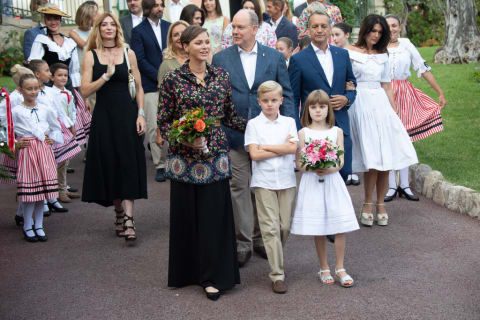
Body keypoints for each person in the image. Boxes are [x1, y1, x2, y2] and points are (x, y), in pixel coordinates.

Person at [158, 25, 245, 301]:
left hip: (216, 155)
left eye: (208, 42)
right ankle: (186, 274)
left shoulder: (221, 76)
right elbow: (164, 120)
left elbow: (231, 115)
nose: (205, 46)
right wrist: (185, 140)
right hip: (185, 159)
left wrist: (267, 125)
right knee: (187, 217)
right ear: (185, 47)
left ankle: (212, 276)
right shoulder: (173, 79)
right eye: (199, 42)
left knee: (214, 218)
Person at [212, 9, 297, 267]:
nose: (234, 32)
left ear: (254, 29)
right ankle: (243, 242)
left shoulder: (273, 57)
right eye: (233, 28)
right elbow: (216, 98)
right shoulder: (220, 58)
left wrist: (290, 130)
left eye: (239, 27)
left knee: (264, 187)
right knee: (238, 188)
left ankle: (262, 238)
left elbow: (288, 94)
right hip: (234, 135)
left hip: (268, 137)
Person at [345, 14, 418, 226]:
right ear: (364, 30)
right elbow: (345, 78)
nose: (376, 36)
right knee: (371, 159)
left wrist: (394, 113)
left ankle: (380, 204)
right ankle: (367, 203)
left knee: (385, 157)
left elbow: (386, 86)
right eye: (372, 31)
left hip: (381, 105)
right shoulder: (349, 52)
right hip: (359, 104)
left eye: (379, 32)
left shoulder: (383, 55)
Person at [81, 13, 147, 242]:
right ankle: (118, 211)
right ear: (97, 29)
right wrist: (105, 77)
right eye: (103, 25)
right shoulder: (91, 56)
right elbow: (85, 91)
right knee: (111, 165)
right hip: (104, 118)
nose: (108, 28)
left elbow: (139, 87)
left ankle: (129, 219)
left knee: (128, 163)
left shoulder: (128, 54)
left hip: (128, 116)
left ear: (117, 29)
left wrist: (141, 114)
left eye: (112, 25)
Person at [291, 89, 359, 287]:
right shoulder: (303, 133)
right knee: (318, 226)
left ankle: (340, 267)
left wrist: (327, 166)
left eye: (322, 107)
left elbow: (340, 162)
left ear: (328, 109)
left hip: (332, 182)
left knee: (339, 225)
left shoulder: (336, 131)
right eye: (313, 107)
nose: (318, 111)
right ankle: (324, 267)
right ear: (307, 109)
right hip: (312, 182)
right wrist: (314, 166)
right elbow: (300, 164)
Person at [289, 11, 356, 182]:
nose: (319, 30)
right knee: (314, 179)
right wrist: (298, 129)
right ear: (308, 30)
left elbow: (353, 85)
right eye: (315, 26)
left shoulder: (342, 55)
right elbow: (293, 97)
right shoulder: (298, 59)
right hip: (312, 128)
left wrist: (347, 98)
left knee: (341, 175)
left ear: (330, 28)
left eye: (323, 26)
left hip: (340, 124)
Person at [384, 14, 446, 202]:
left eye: (394, 25)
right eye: (388, 26)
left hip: (404, 92)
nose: (392, 29)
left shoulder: (406, 45)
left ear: (400, 27)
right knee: (387, 138)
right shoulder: (377, 46)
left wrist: (440, 92)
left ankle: (404, 184)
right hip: (384, 94)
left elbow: (422, 68)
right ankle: (390, 185)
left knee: (404, 138)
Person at [244, 80, 298, 294]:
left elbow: (293, 148)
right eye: (265, 101)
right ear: (259, 102)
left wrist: (265, 145)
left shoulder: (289, 122)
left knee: (284, 226)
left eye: (274, 100)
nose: (269, 104)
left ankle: (275, 254)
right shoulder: (253, 125)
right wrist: (281, 148)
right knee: (270, 228)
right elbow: (254, 155)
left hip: (286, 180)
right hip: (263, 181)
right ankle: (277, 275)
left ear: (281, 101)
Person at [12, 73, 63, 242]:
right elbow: (6, 132)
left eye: (36, 88)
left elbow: (56, 128)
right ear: (20, 90)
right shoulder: (16, 111)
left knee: (42, 192)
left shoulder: (45, 109)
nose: (33, 92)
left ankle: (39, 225)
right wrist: (15, 143)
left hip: (43, 151)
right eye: (29, 89)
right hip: (28, 152)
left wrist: (52, 138)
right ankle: (28, 224)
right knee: (30, 192)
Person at [130, 0, 171, 182]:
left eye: (162, 5)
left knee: (175, 123)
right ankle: (160, 164)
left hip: (173, 84)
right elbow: (139, 59)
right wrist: (160, 77)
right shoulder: (138, 31)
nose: (160, 8)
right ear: (148, 8)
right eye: (155, 5)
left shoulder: (170, 28)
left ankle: (174, 161)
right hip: (150, 85)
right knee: (154, 125)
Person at [49, 63, 82, 203]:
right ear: (52, 77)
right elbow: (58, 113)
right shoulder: (51, 94)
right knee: (60, 161)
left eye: (65, 75)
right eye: (59, 75)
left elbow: (72, 109)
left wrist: (73, 123)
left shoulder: (68, 92)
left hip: (69, 129)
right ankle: (58, 191)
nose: (63, 78)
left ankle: (63, 187)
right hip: (59, 130)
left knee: (66, 162)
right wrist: (68, 126)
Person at [27, 5, 81, 90]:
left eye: (56, 18)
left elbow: (74, 70)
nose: (53, 22)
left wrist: (77, 91)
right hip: (48, 86)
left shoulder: (70, 43)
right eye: (49, 19)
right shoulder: (41, 40)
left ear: (60, 20)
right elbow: (34, 65)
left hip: (66, 86)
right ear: (45, 20)